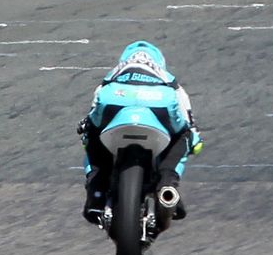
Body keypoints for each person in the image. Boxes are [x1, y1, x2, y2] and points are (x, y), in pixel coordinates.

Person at [78, 41, 202, 225]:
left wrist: (86, 127)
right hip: (160, 100)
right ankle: (167, 183)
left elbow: (94, 109)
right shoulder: (168, 78)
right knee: (184, 136)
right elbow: (189, 121)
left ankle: (97, 189)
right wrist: (193, 138)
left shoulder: (114, 73)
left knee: (92, 134)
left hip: (116, 97)